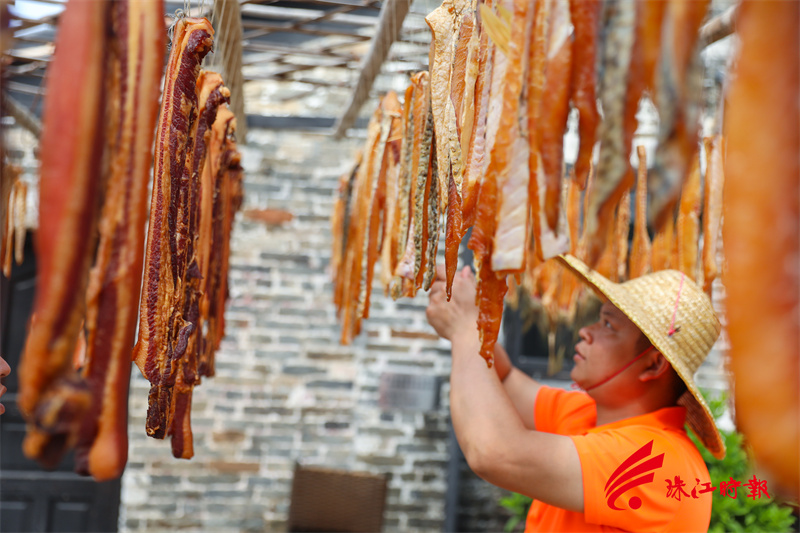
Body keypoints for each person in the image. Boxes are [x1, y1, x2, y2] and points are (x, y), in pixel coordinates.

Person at [426, 254, 725, 532]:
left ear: (654, 363)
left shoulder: (660, 461)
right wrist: (473, 314)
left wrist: (464, 329)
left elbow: (494, 453)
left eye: (608, 325)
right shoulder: (588, 413)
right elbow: (503, 380)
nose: (586, 331)